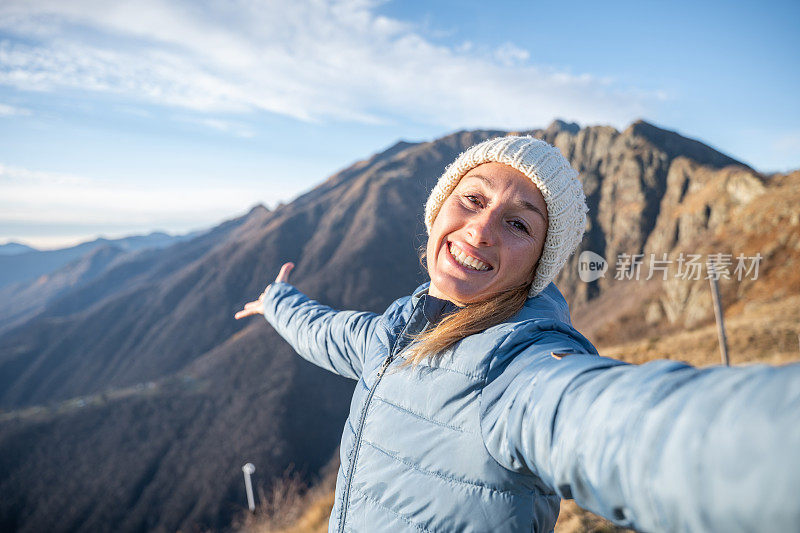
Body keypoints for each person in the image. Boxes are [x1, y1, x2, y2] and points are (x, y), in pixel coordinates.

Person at [235, 136, 800, 532]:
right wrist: (278, 303)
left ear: (538, 265)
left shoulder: (518, 368)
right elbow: (332, 334)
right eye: (472, 199)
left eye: (519, 223)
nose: (481, 229)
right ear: (437, 213)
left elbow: (620, 425)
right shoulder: (397, 330)